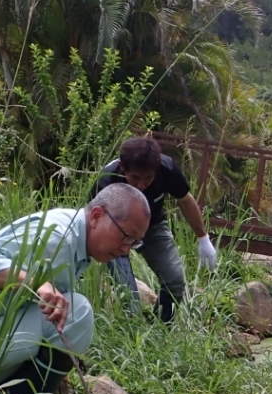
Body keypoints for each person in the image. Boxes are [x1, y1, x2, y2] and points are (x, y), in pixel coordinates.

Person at [0, 183, 151, 394]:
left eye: (134, 242)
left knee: (72, 312)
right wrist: (35, 282)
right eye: (126, 236)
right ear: (97, 216)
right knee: (77, 314)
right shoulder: (56, 237)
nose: (126, 250)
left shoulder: (77, 240)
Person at [89, 136, 218, 322]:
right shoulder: (107, 179)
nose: (141, 185)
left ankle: (161, 329)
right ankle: (131, 337)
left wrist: (203, 237)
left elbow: (185, 200)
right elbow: (90, 221)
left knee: (175, 282)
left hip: (153, 227)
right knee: (128, 296)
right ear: (123, 167)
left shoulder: (167, 168)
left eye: (148, 178)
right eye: (135, 178)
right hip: (115, 234)